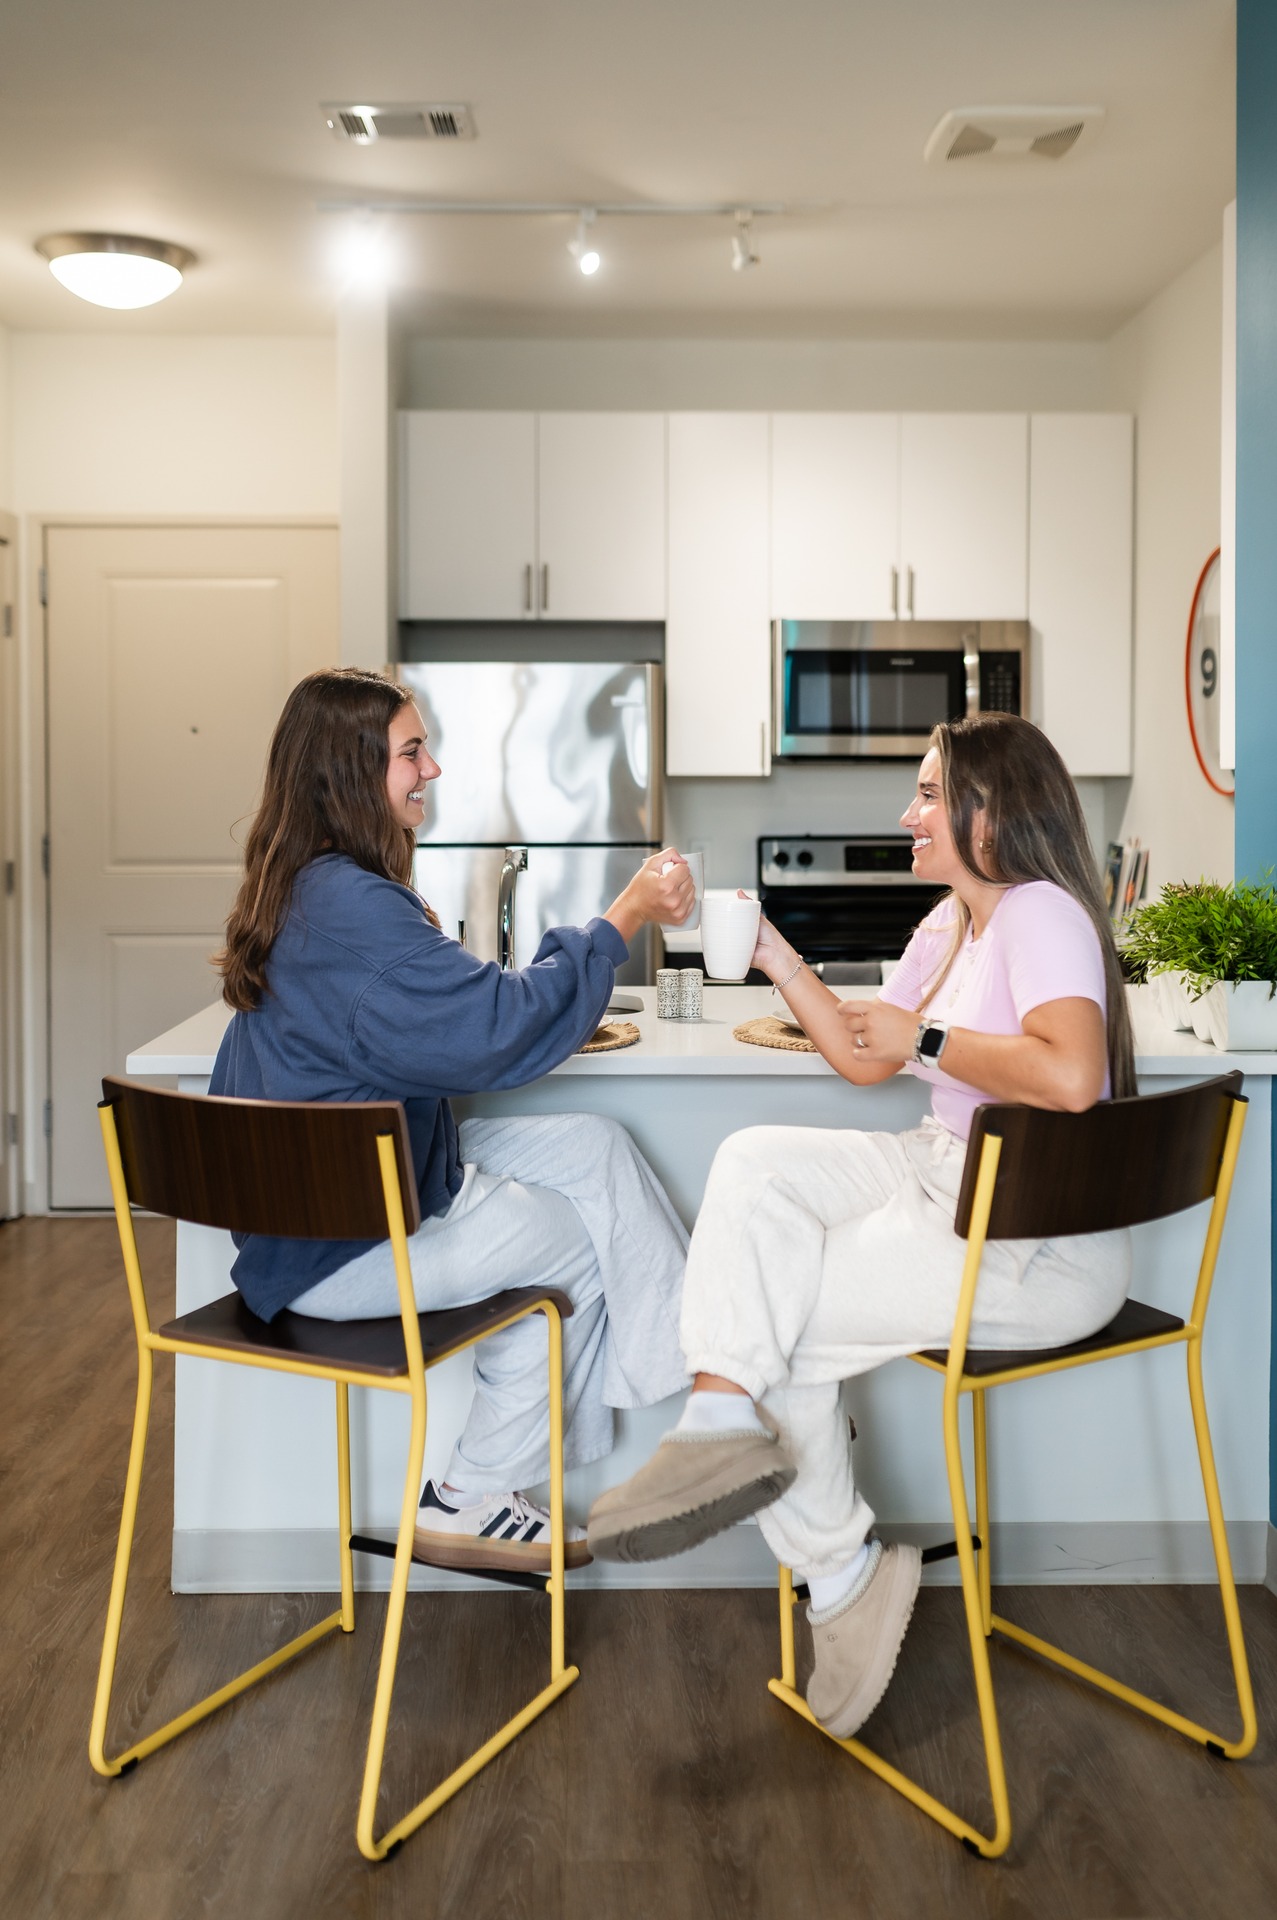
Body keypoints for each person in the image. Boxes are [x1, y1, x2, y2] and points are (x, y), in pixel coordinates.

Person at [586, 712, 1136, 1742]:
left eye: (928, 793)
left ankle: (837, 1578)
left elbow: (1069, 1078)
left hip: (1033, 1234)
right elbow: (866, 1057)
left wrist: (928, 1033)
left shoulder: (1037, 913)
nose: (907, 814)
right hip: (950, 1174)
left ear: (992, 808)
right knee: (751, 1166)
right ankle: (723, 1434)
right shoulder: (954, 924)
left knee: (773, 1317)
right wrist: (769, 952)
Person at [210, 666, 696, 1575]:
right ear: (354, 774)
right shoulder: (349, 907)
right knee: (579, 1241)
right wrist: (622, 915)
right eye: (409, 751)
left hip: (338, 1197)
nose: (430, 769)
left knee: (594, 1149)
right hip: (339, 1243)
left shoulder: (308, 886)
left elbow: (443, 1023)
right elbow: (492, 1032)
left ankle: (708, 1399)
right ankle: (472, 1492)